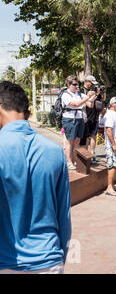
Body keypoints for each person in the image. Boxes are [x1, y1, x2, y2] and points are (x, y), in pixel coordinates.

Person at [0, 81, 71, 274]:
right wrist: (60, 257)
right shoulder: (55, 151)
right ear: (28, 114)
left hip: (6, 261)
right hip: (50, 260)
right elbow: (63, 215)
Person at [61, 75, 98, 170]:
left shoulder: (79, 94)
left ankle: (74, 161)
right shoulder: (65, 94)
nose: (77, 86)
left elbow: (89, 104)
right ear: (68, 85)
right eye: (74, 84)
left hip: (79, 118)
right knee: (70, 142)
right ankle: (69, 162)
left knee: (77, 141)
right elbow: (76, 104)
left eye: (77, 84)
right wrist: (88, 97)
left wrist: (95, 95)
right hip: (70, 119)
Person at [80, 75, 106, 164]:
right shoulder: (81, 90)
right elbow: (89, 103)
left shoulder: (94, 90)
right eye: (91, 83)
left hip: (95, 116)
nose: (92, 85)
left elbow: (103, 99)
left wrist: (102, 92)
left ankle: (92, 153)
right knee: (86, 137)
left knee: (93, 136)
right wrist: (95, 94)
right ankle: (85, 155)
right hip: (86, 117)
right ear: (87, 81)